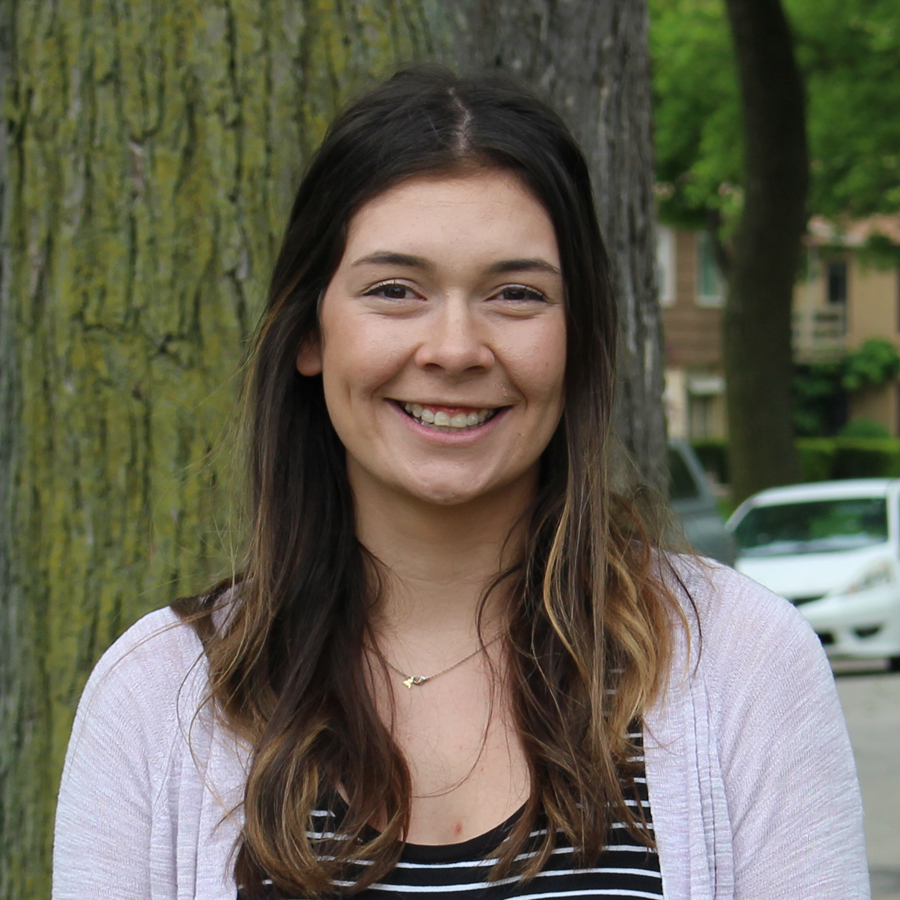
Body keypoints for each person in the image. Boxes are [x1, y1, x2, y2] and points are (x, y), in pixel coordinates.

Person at [52, 67, 870, 900]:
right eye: (394, 290)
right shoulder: (156, 698)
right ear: (309, 333)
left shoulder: (742, 665)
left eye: (516, 294)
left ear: (577, 341)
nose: (454, 348)